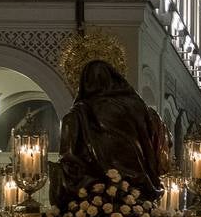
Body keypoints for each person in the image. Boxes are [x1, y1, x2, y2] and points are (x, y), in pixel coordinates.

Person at [56, 60, 170, 207]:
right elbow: (157, 138)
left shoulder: (80, 112)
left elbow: (69, 154)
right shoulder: (137, 105)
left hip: (96, 189)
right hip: (138, 185)